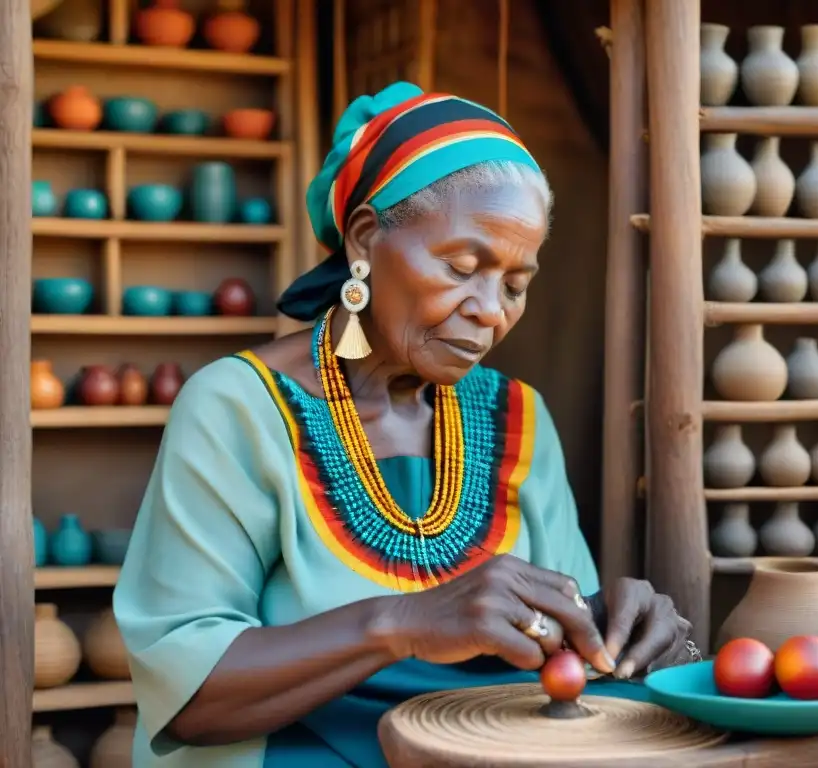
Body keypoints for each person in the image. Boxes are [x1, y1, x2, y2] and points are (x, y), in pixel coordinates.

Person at [113, 81, 699, 768]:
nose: (491, 311)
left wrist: (608, 628)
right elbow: (190, 699)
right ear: (365, 239)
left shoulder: (519, 419)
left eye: (515, 284)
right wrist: (404, 624)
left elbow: (562, 658)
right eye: (462, 266)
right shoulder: (238, 410)